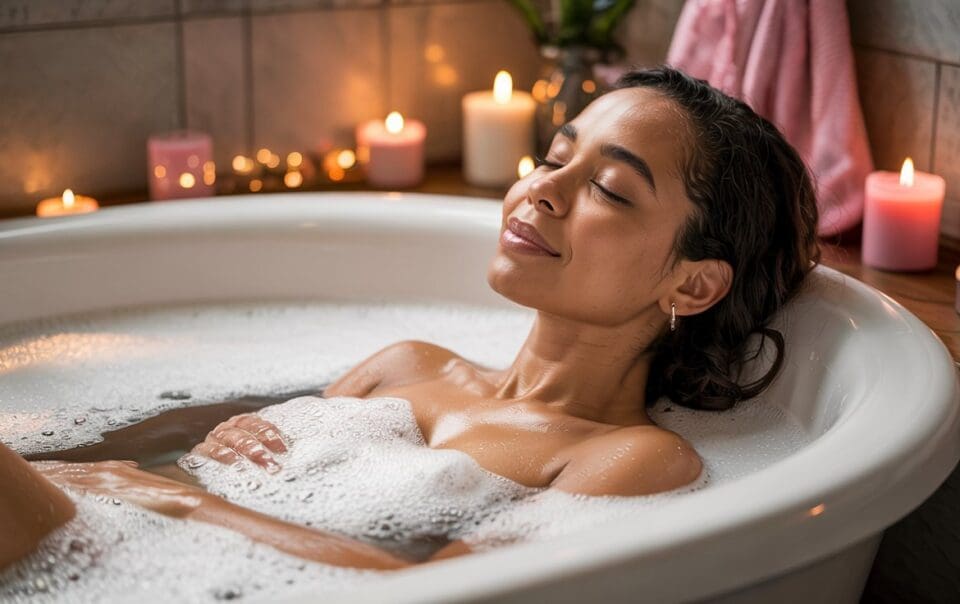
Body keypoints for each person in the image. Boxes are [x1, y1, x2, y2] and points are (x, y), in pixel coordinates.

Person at [0, 66, 820, 573]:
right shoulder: (407, 364)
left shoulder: (629, 458)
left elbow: (442, 593)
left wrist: (166, 502)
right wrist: (200, 464)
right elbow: (191, 489)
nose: (544, 189)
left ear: (693, 282)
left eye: (609, 189)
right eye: (555, 156)